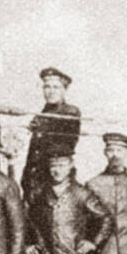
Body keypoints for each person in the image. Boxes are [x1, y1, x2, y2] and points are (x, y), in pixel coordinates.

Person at [20, 68, 82, 207]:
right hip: (34, 181)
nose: (51, 91)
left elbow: (64, 147)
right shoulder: (42, 115)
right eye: (47, 87)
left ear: (64, 90)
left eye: (56, 87)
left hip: (54, 178)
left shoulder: (69, 112)